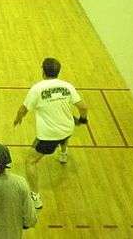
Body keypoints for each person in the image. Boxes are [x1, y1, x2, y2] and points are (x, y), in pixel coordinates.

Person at [13, 57, 88, 209]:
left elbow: (23, 109)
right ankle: (63, 153)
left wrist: (17, 119)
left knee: (30, 161)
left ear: (43, 71)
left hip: (49, 136)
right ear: (58, 72)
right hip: (68, 128)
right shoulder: (67, 86)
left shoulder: (37, 89)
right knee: (66, 127)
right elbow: (83, 107)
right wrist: (83, 120)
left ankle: (35, 196)